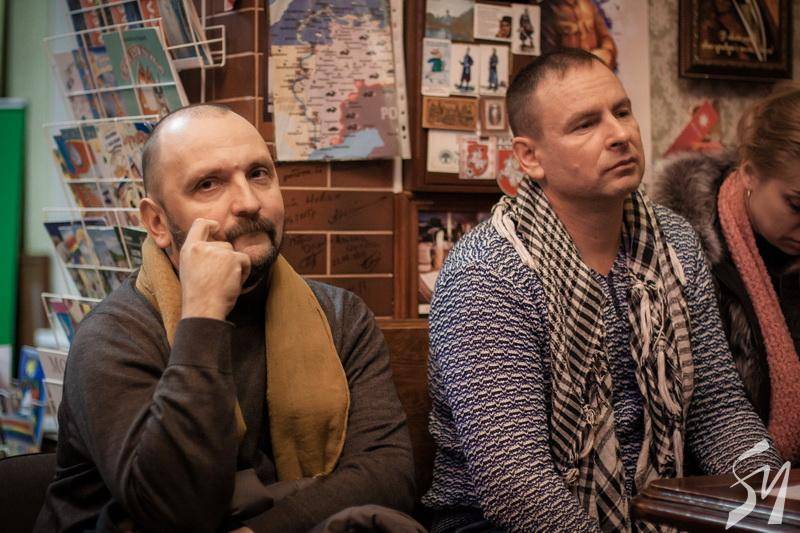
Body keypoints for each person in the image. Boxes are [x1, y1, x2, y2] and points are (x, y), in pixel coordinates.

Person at [423, 49, 784, 532]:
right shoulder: (486, 272)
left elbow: (717, 408)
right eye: (584, 125)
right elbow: (514, 483)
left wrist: (775, 504)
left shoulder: (675, 242)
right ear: (530, 157)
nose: (619, 134)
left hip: (659, 509)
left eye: (622, 111)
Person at [35, 104, 417, 532]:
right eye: (208, 184)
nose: (249, 203)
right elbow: (174, 509)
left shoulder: (340, 316)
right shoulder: (113, 336)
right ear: (157, 222)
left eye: (259, 174)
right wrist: (202, 318)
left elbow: (389, 473)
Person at [653, 85, 800, 465]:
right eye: (796, 205)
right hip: (722, 481)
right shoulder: (685, 256)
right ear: (750, 174)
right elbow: (707, 410)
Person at [541, 0, 618, 70]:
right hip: (571, 72)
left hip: (596, 67)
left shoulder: (588, 3)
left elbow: (605, 37)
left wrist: (607, 52)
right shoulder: (548, 9)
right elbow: (549, 57)